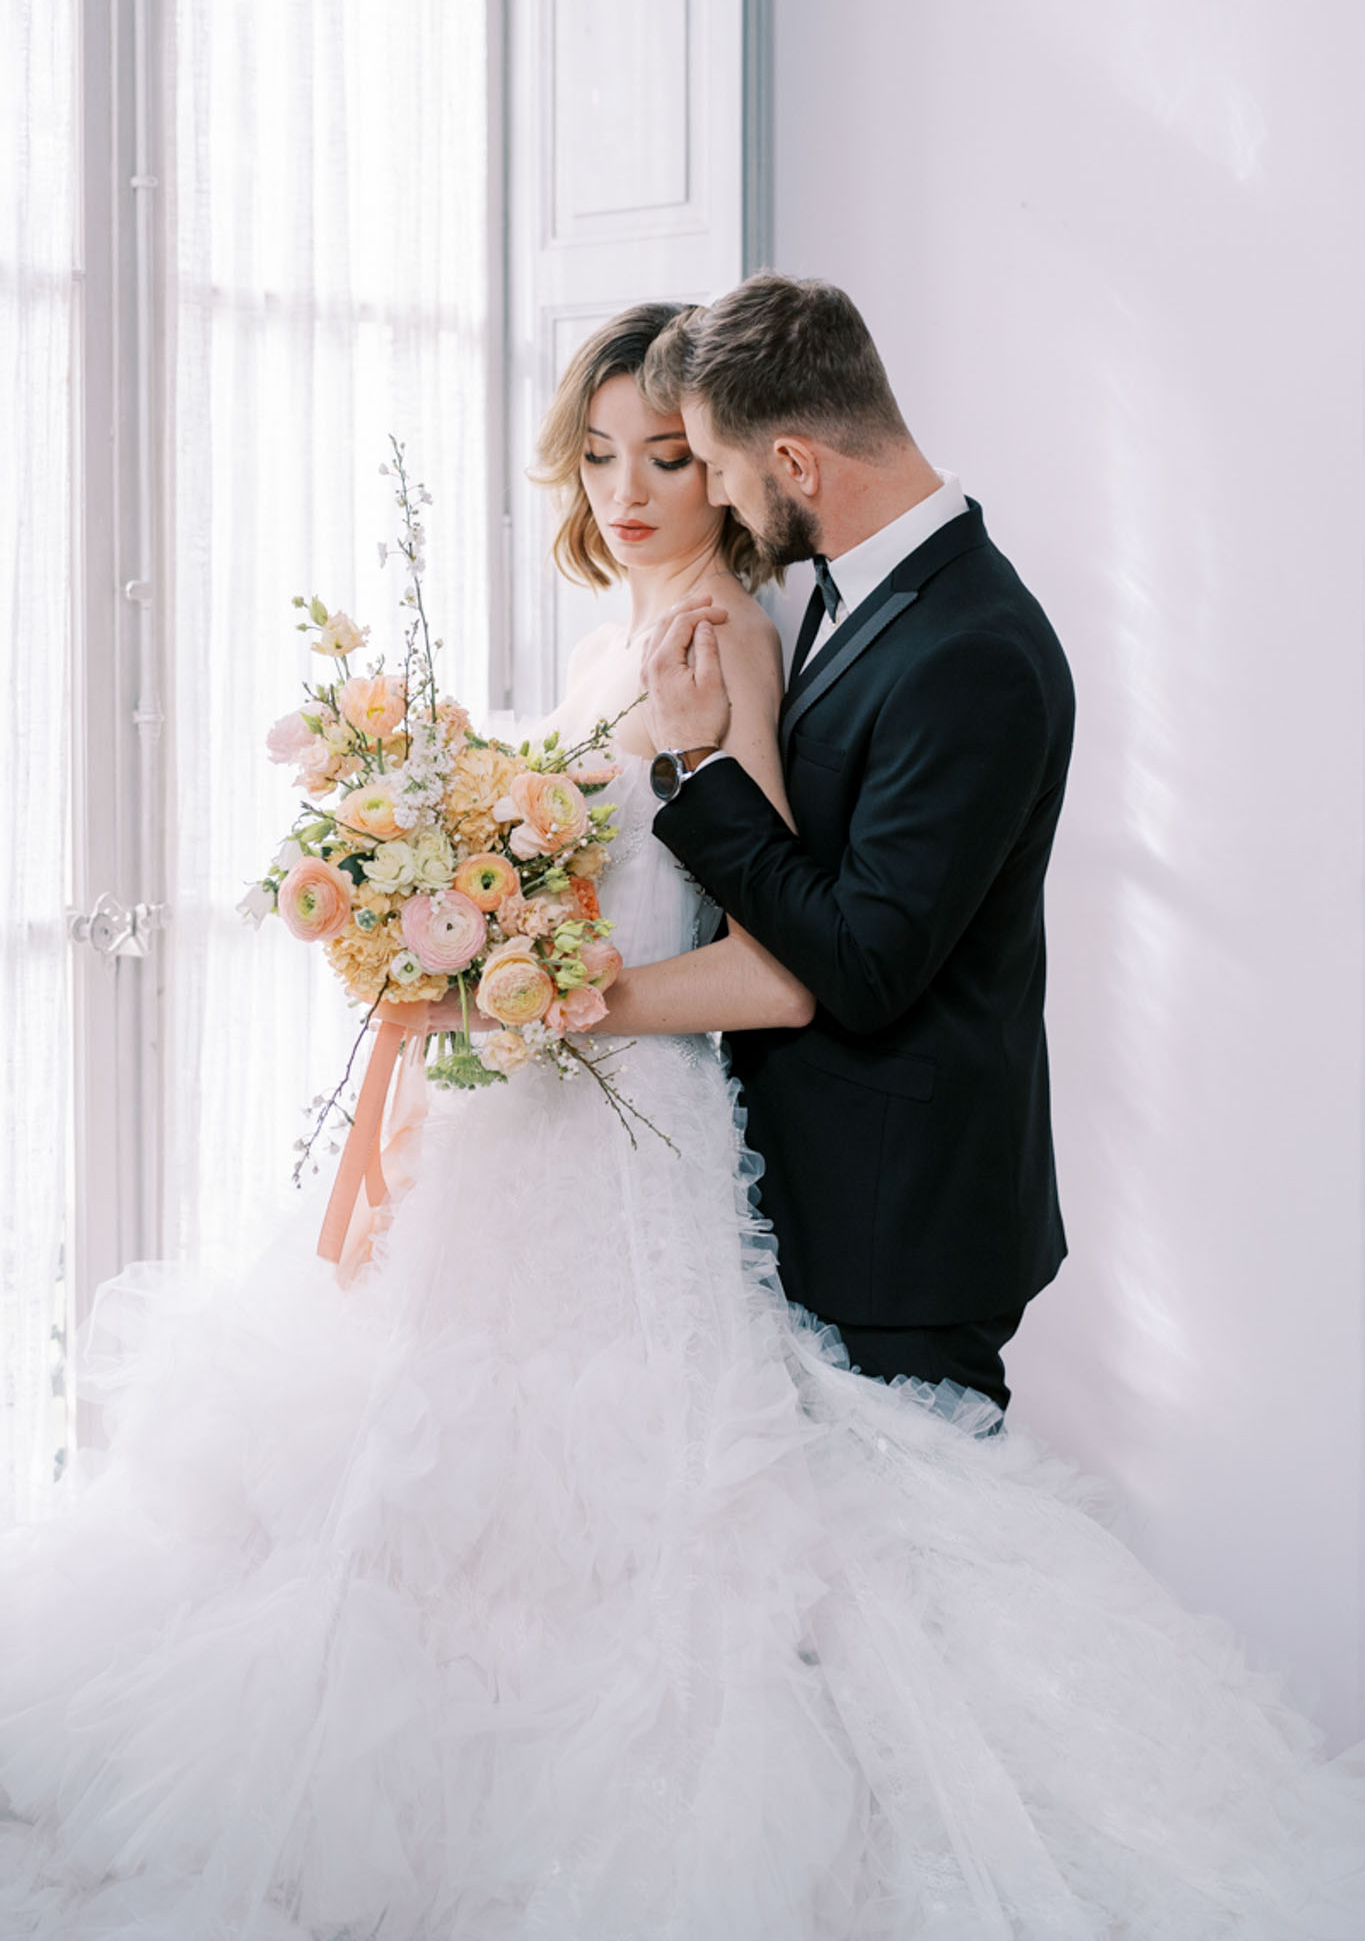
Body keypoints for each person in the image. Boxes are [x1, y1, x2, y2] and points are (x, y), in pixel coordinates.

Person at [0, 301, 1361, 1939]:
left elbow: (799, 964)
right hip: (566, 1131)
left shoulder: (769, 637)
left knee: (732, 1545)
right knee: (448, 1487)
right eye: (606, 454)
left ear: (755, 471)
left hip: (692, 1137)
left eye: (678, 456)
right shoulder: (676, 629)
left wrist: (537, 992)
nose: (643, 486)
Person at [627, 274, 1074, 1417]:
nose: (719, 496)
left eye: (719, 467)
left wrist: (696, 766)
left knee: (929, 1581)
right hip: (835, 1190)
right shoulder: (857, 589)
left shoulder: (973, 649)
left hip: (904, 1227)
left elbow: (868, 963)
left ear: (796, 463)